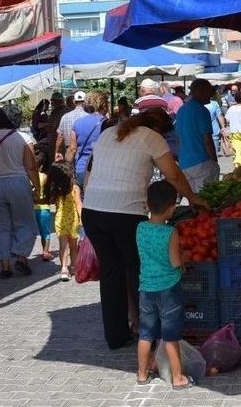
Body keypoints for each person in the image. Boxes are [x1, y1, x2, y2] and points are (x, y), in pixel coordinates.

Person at [82, 108, 208, 350]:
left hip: (93, 212)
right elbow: (173, 174)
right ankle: (148, 331)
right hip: (125, 212)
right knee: (141, 272)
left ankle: (116, 336)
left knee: (111, 273)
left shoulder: (109, 132)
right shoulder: (152, 138)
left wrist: (90, 200)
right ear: (160, 128)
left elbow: (90, 170)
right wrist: (192, 198)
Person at [135, 180, 192, 390]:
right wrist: (184, 259)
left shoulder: (140, 228)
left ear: (147, 205)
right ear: (171, 207)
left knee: (146, 333)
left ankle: (141, 374)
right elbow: (175, 261)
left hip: (146, 288)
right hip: (169, 288)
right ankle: (178, 378)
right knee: (170, 335)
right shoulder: (171, 232)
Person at [0, 104, 40, 279]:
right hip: (18, 183)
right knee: (25, 221)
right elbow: (31, 166)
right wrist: (37, 188)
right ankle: (21, 258)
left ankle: (5, 266)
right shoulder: (24, 138)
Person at [175, 79, 220, 193]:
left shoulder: (182, 110)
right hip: (202, 162)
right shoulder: (201, 110)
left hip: (185, 163)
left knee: (195, 200)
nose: (211, 95)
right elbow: (207, 139)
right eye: (209, 91)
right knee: (208, 198)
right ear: (201, 91)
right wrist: (214, 161)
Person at [46, 162, 82, 282]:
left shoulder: (56, 189)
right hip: (73, 220)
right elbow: (78, 203)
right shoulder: (74, 187)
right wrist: (82, 218)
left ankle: (64, 269)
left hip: (60, 220)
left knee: (63, 246)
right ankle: (73, 267)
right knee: (73, 246)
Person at [67, 91, 109, 187]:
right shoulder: (107, 124)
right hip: (101, 170)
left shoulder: (78, 122)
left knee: (81, 199)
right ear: (104, 105)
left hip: (81, 169)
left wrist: (67, 166)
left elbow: (72, 149)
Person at [33, 147, 55, 262]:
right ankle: (45, 251)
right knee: (45, 232)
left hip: (31, 207)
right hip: (44, 208)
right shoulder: (45, 177)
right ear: (42, 166)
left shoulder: (27, 177)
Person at [55, 91, 88, 161]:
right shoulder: (88, 117)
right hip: (83, 153)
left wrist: (57, 151)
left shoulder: (65, 117)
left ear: (74, 101)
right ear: (85, 101)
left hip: (68, 152)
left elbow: (60, 138)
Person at [206, 87, 227, 157]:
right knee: (214, 154)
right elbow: (220, 116)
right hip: (214, 131)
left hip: (202, 133)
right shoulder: (214, 104)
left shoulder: (198, 105)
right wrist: (223, 127)